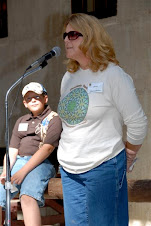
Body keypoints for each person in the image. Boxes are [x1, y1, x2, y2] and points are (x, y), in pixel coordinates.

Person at [57, 13, 148, 226]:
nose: (65, 40)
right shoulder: (68, 77)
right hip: (69, 169)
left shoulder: (113, 75)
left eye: (73, 35)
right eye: (64, 35)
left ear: (90, 37)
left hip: (103, 166)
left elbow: (138, 122)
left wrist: (130, 154)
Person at [0, 82, 62, 226]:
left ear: (45, 98)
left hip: (42, 164)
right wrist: (6, 171)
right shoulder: (21, 120)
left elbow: (47, 148)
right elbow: (12, 150)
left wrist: (22, 172)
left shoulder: (54, 119)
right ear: (25, 103)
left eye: (36, 97)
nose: (33, 100)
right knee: (0, 191)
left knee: (28, 196)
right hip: (20, 162)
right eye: (29, 99)